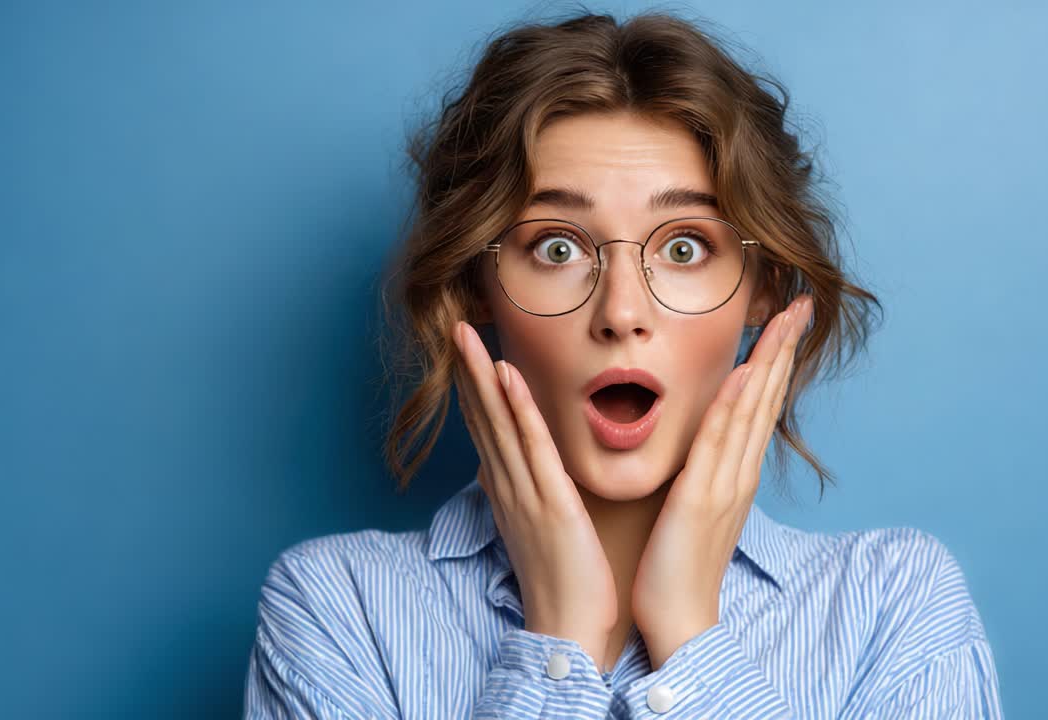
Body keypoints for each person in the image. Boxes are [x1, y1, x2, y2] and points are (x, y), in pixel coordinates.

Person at [243, 9, 1003, 719]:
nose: (621, 313)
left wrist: (689, 632)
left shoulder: (893, 609)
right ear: (477, 285)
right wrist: (560, 638)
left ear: (764, 288)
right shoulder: (340, 609)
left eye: (684, 247)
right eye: (557, 248)